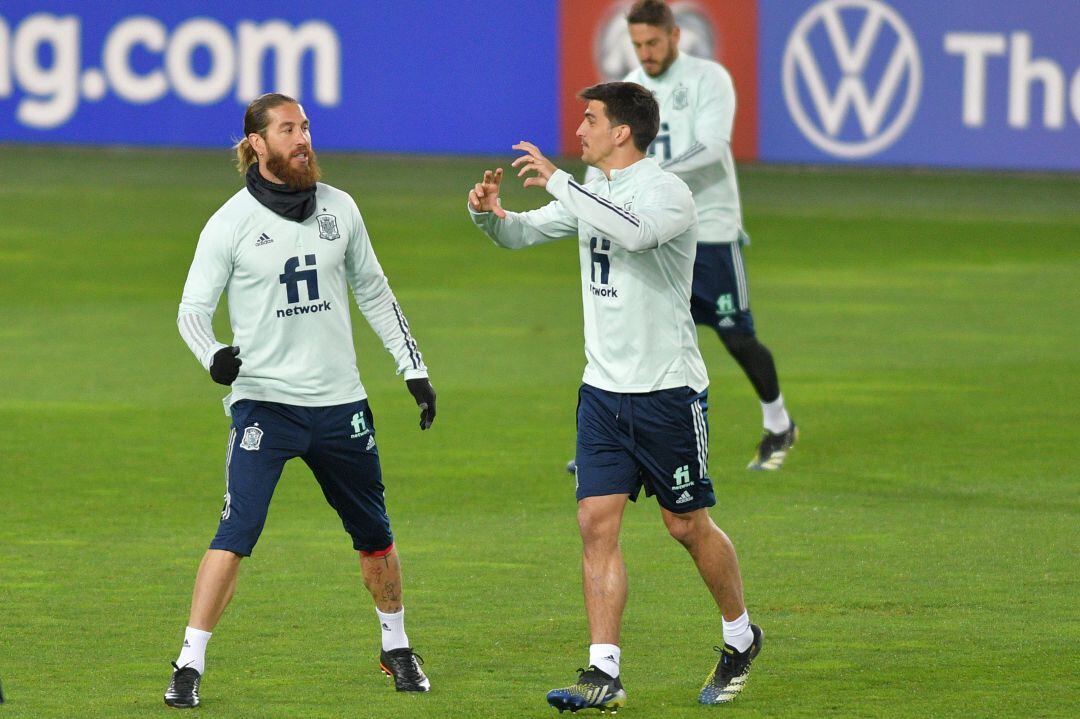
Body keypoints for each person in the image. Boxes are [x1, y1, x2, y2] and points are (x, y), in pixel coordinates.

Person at [467, 81, 762, 710]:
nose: (578, 131)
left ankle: (740, 637)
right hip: (602, 391)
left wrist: (559, 182)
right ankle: (604, 672)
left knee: (685, 524)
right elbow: (521, 234)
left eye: (590, 120)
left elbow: (633, 235)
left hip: (667, 392)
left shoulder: (667, 193)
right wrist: (488, 214)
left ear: (621, 131)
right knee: (594, 523)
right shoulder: (590, 190)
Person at [165, 92, 436, 708]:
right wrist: (213, 356)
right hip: (265, 405)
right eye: (288, 129)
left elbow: (375, 292)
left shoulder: (341, 208)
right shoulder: (229, 223)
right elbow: (192, 312)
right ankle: (189, 661)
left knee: (374, 533)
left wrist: (412, 368)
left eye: (306, 127)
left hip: (342, 405)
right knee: (236, 530)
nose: (303, 139)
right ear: (256, 144)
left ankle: (396, 646)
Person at [574, 0, 797, 472]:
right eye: (638, 45)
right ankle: (611, 444)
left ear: (675, 35)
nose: (646, 52)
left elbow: (714, 148)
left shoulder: (708, 79)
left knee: (736, 336)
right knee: (641, 332)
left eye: (653, 42)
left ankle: (778, 424)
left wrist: (650, 173)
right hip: (654, 232)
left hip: (711, 227)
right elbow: (608, 157)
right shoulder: (631, 89)